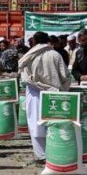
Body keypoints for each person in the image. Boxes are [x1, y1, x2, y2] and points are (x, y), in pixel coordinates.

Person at [18, 31, 72, 165]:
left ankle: (41, 155)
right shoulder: (55, 54)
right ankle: (54, 153)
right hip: (54, 94)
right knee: (53, 122)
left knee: (35, 124)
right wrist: (62, 90)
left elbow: (24, 76)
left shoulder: (28, 56)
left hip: (34, 94)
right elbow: (65, 75)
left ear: (34, 41)